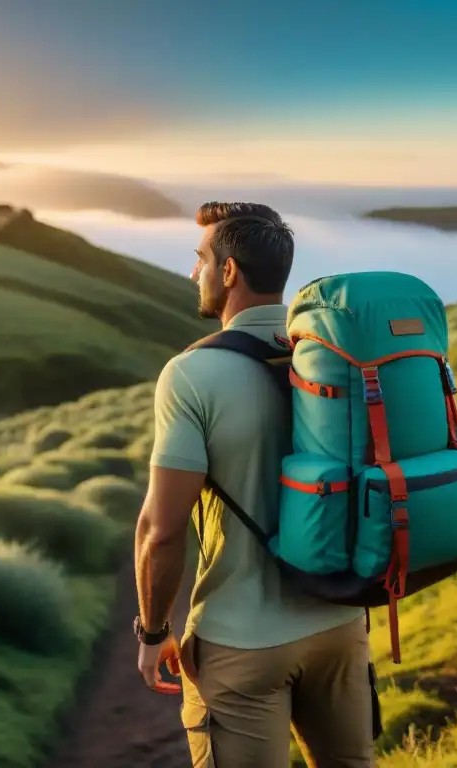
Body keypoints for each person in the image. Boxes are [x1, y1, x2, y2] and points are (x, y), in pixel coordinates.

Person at [133, 201, 375, 767]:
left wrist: (152, 632)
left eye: (200, 259)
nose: (193, 272)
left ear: (229, 271)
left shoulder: (192, 374)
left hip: (241, 640)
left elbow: (161, 531)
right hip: (341, 622)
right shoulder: (331, 357)